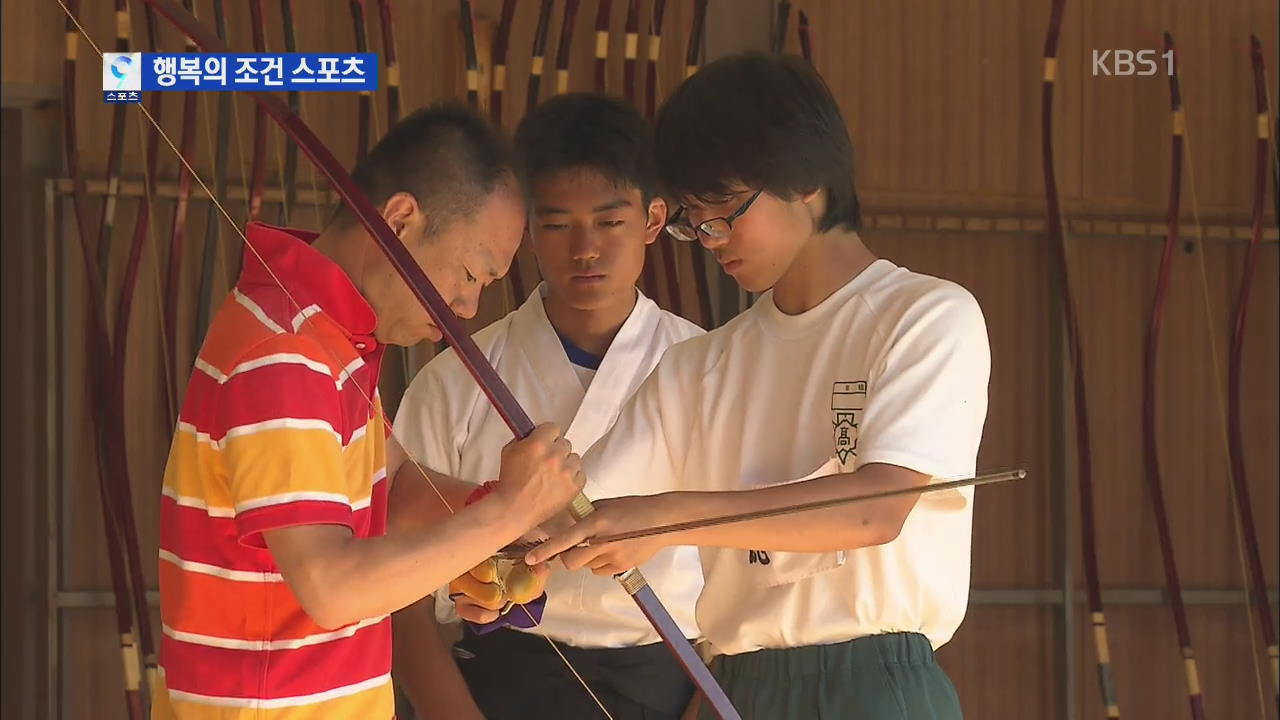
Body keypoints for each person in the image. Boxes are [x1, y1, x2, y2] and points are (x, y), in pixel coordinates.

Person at [526, 53, 992, 720]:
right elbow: (587, 516)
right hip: (738, 685)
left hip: (877, 685)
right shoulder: (698, 367)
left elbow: (875, 509)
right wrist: (505, 555)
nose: (711, 239)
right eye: (695, 221)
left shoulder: (925, 316)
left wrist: (667, 517)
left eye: (724, 213)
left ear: (805, 181)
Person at [152, 104, 585, 719]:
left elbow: (397, 485)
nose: (467, 305)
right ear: (401, 221)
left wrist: (501, 522)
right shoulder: (286, 352)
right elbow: (332, 587)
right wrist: (506, 512)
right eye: (469, 272)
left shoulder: (326, 336)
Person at [389, 93, 706, 720]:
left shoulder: (708, 369)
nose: (585, 249)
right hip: (499, 681)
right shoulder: (455, 380)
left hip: (667, 682)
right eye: (557, 225)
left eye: (611, 222)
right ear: (526, 230)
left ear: (652, 219)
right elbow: (400, 588)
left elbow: (746, 578)